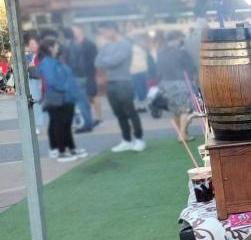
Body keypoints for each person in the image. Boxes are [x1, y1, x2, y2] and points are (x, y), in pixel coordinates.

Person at [95, 23, 145, 152]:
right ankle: (126, 140)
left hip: (124, 81)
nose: (104, 35)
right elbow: (97, 62)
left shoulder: (125, 44)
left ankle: (139, 139)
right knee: (119, 113)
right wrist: (106, 59)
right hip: (110, 82)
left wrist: (106, 60)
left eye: (105, 32)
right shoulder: (106, 46)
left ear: (113, 30)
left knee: (130, 111)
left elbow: (114, 61)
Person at [37, 38, 86, 162]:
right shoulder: (48, 62)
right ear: (50, 48)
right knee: (60, 124)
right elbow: (52, 80)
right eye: (56, 45)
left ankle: (71, 148)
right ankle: (61, 152)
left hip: (66, 97)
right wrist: (66, 88)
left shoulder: (55, 61)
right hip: (58, 98)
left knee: (66, 124)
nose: (58, 47)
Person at [156, 30, 197, 140]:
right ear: (177, 39)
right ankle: (182, 135)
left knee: (175, 111)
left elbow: (158, 70)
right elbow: (191, 68)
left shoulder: (160, 53)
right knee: (186, 110)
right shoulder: (181, 53)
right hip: (180, 83)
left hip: (165, 84)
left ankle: (181, 133)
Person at [63, 27, 99, 132]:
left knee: (81, 102)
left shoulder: (82, 44)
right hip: (79, 76)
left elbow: (89, 60)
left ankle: (87, 124)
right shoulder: (72, 44)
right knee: (83, 101)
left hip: (81, 76)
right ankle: (87, 123)